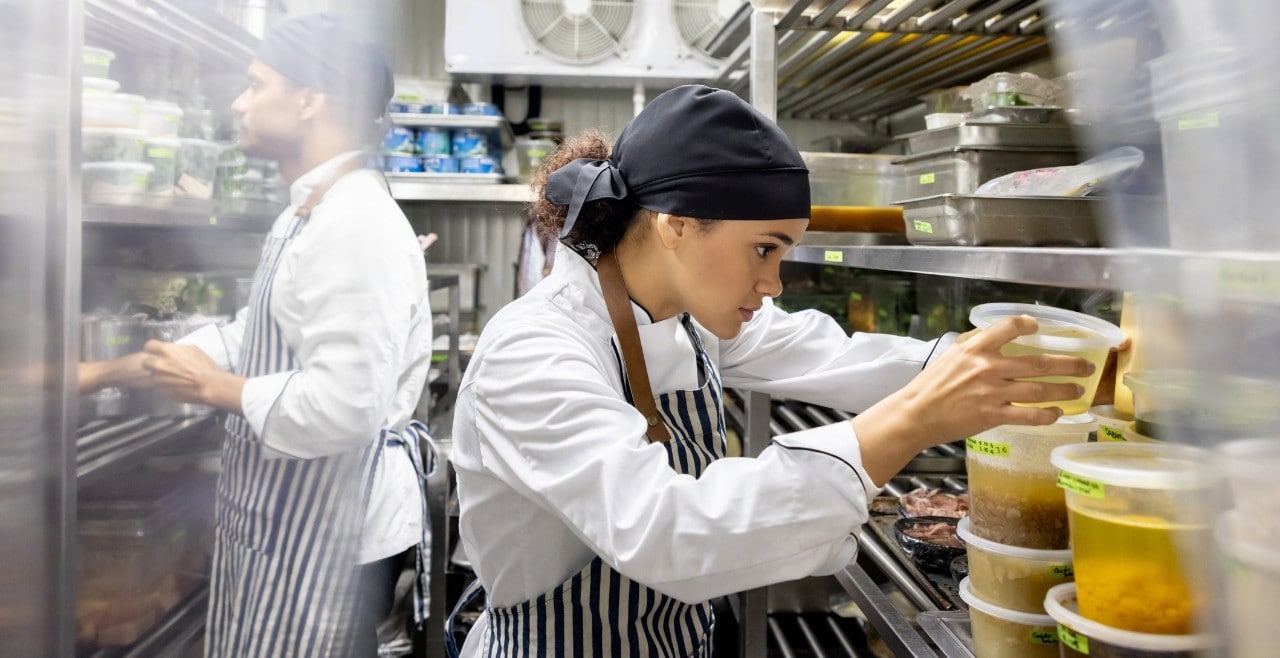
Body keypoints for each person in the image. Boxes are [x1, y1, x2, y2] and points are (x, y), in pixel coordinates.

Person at [448, 84, 1099, 657]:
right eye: (763, 249)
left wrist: (1002, 360)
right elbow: (665, 532)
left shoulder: (682, 314)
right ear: (676, 225)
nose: (774, 282)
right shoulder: (534, 351)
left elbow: (829, 353)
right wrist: (911, 423)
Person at [77, 14, 433, 658]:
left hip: (329, 545)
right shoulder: (311, 209)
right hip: (294, 528)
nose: (239, 101)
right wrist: (106, 372)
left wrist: (213, 388)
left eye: (254, 84)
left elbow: (344, 406)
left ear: (308, 100)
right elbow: (256, 335)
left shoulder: (353, 223)